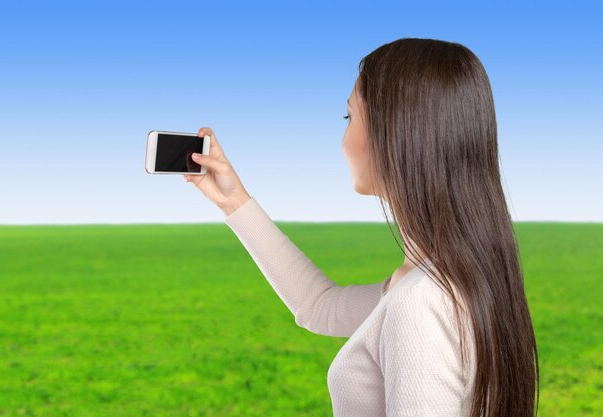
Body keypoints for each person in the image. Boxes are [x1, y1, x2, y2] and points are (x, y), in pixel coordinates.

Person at [183, 37, 539, 417]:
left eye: (349, 116)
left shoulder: (420, 304)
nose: (343, 140)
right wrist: (233, 200)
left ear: (396, 133)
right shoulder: (453, 278)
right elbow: (319, 307)